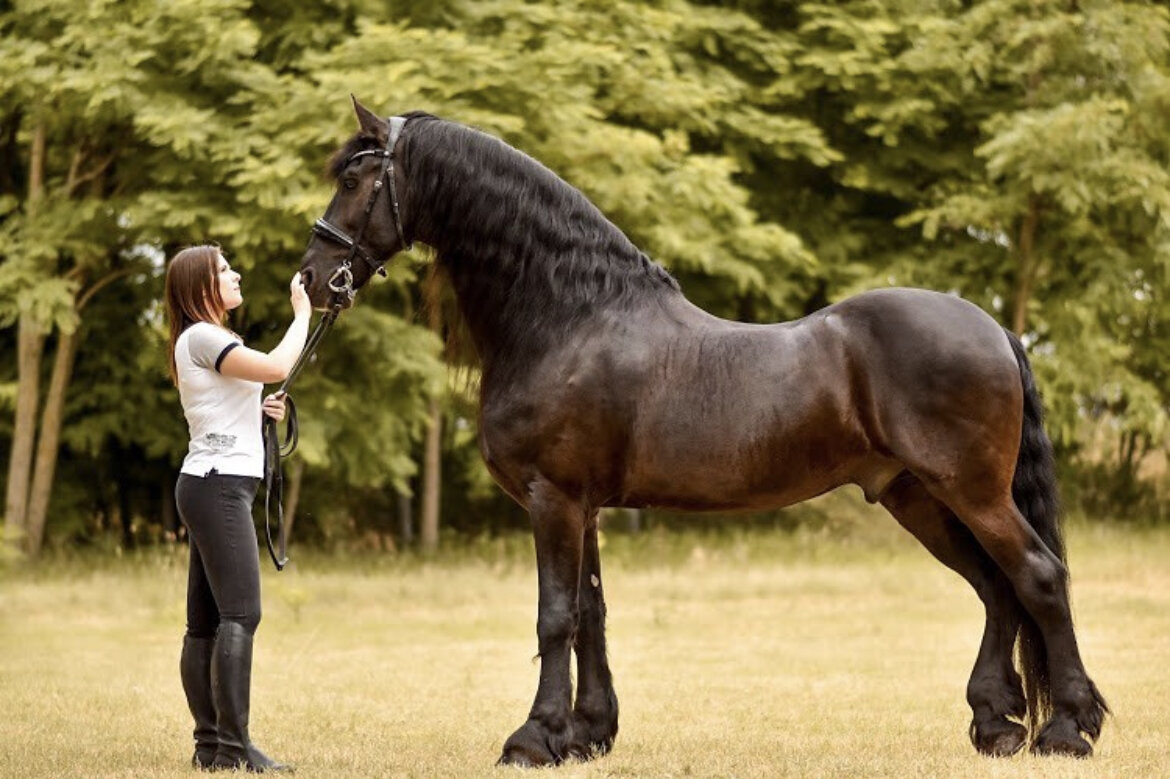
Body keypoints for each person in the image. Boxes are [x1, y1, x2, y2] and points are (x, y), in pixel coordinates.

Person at [164, 244, 310, 772]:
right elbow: (274, 365)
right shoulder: (202, 335)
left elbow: (236, 396)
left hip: (212, 484)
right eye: (225, 270)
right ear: (202, 286)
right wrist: (303, 314)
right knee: (241, 614)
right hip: (218, 486)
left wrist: (261, 409)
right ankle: (233, 748)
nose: (236, 274)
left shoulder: (210, 339)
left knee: (204, 623)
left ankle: (211, 748)